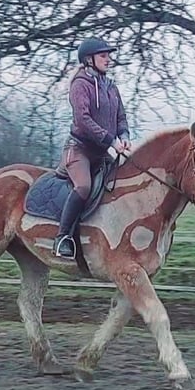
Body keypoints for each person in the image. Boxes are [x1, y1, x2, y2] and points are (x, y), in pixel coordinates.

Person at [53, 37, 132, 258]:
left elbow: (121, 117)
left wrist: (123, 136)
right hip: (79, 150)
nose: (108, 59)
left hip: (102, 152)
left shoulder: (111, 86)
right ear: (89, 59)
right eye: (103, 56)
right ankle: (63, 238)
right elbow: (84, 120)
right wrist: (111, 141)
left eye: (109, 55)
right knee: (84, 187)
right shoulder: (80, 84)